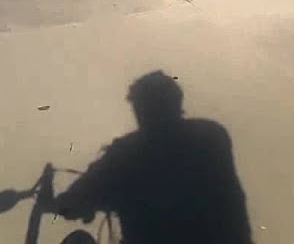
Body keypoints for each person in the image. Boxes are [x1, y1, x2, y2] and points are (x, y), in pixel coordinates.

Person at [52, 71, 253, 244]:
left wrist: (65, 203)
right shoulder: (212, 136)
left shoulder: (127, 153)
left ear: (139, 109)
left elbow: (77, 199)